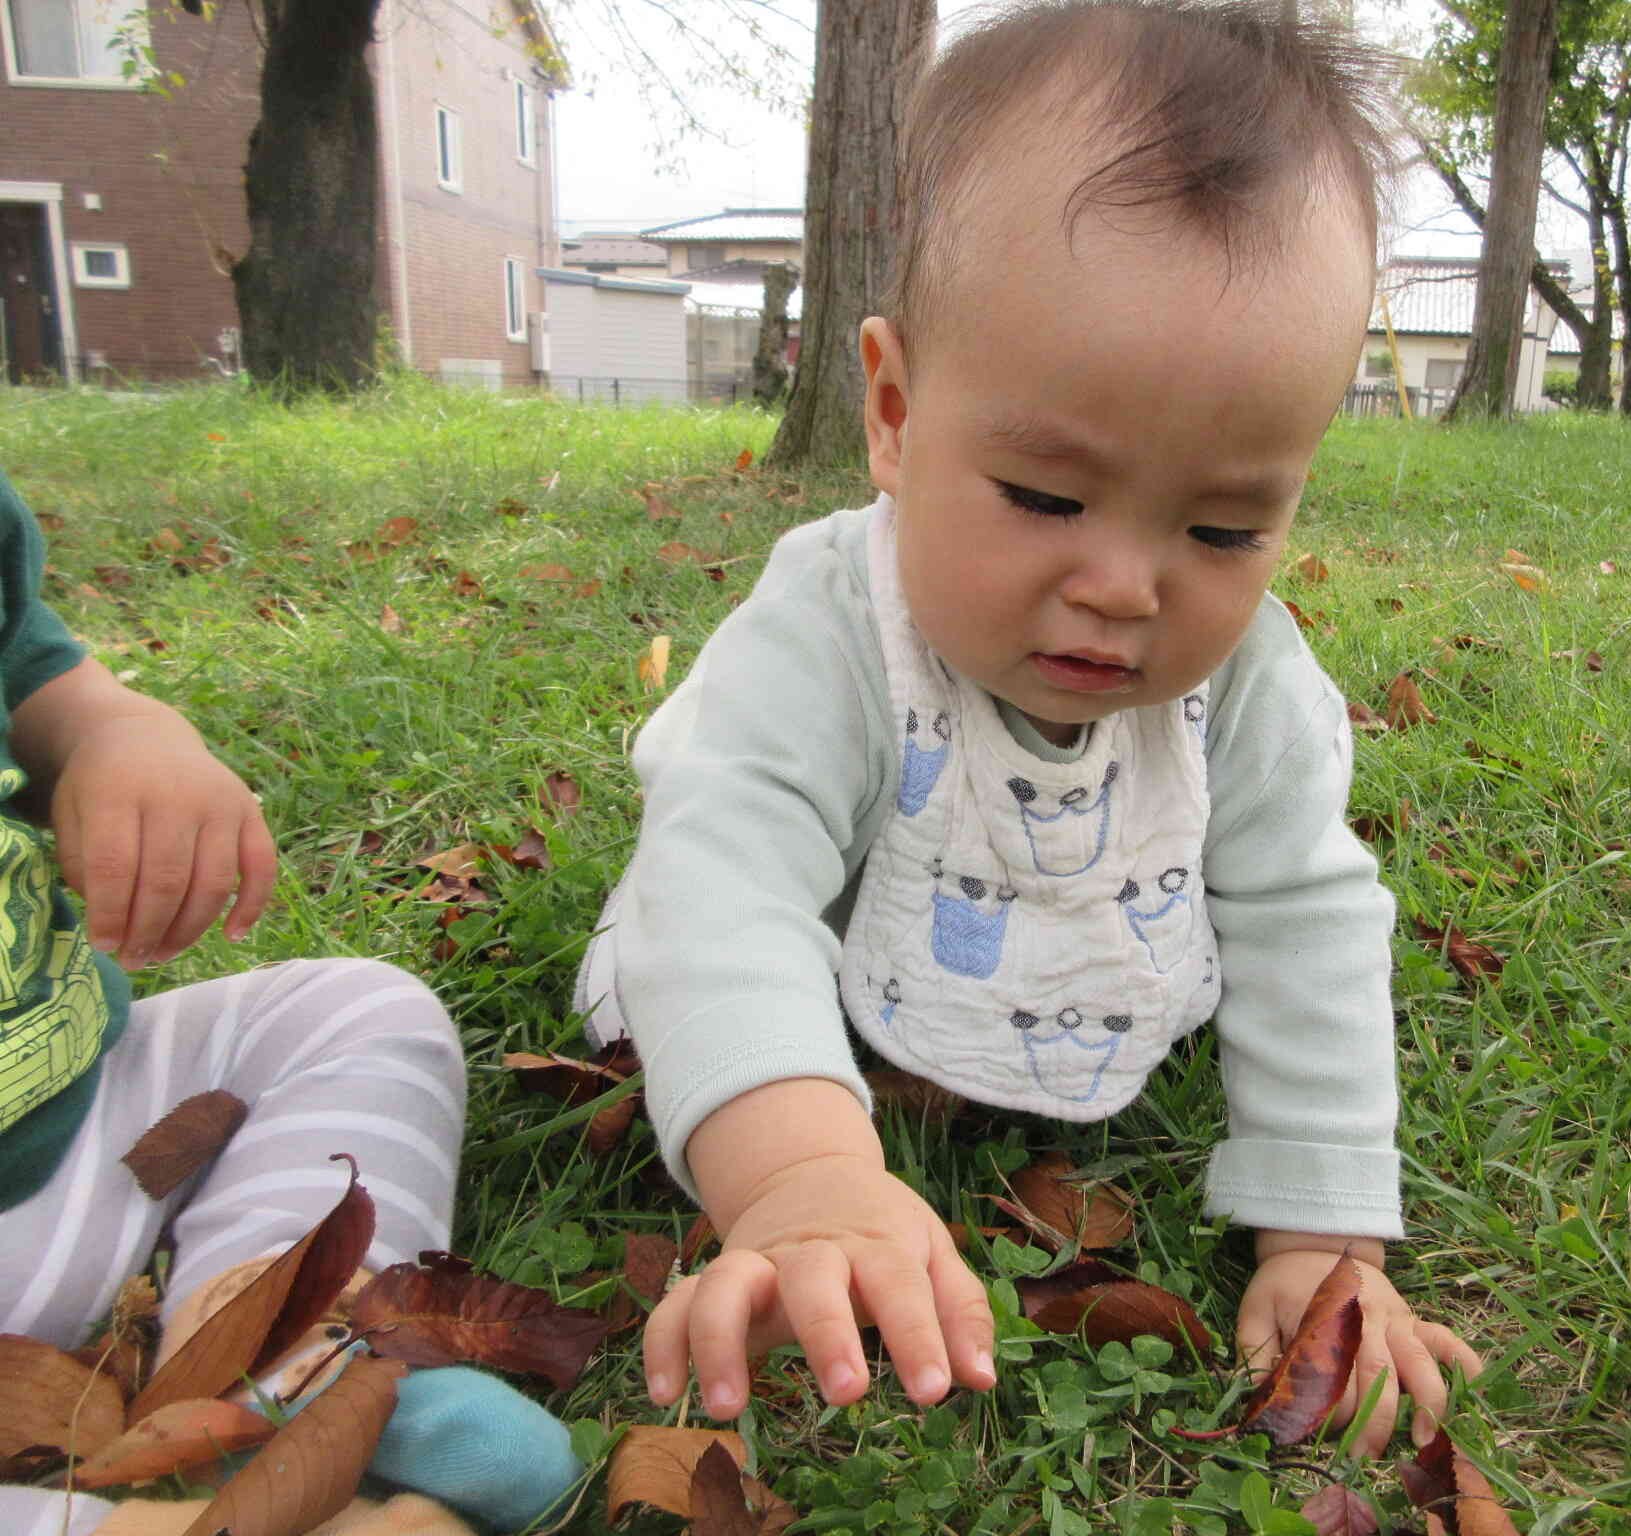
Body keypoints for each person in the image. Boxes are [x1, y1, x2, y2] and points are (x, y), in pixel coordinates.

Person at [576, 0, 1484, 1458]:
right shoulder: (828, 629)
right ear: (891, 411)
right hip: (823, 991)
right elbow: (721, 888)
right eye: (1047, 499)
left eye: (1224, 523)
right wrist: (803, 1176)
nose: (1124, 585)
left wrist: (1325, 1236)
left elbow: (1308, 910)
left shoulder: (1243, 679)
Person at [0, 469, 579, 1536]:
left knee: (359, 1009)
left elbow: (48, 686)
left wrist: (123, 740)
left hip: (71, 1112)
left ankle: (285, 1348)